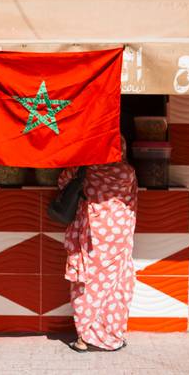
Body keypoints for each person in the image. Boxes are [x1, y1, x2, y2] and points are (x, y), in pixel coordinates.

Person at [57, 136, 138, 352]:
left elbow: (63, 183)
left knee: (89, 284)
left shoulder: (85, 167)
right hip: (118, 233)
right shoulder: (127, 171)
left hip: (91, 232)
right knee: (116, 284)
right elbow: (132, 197)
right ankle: (112, 335)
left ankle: (84, 338)